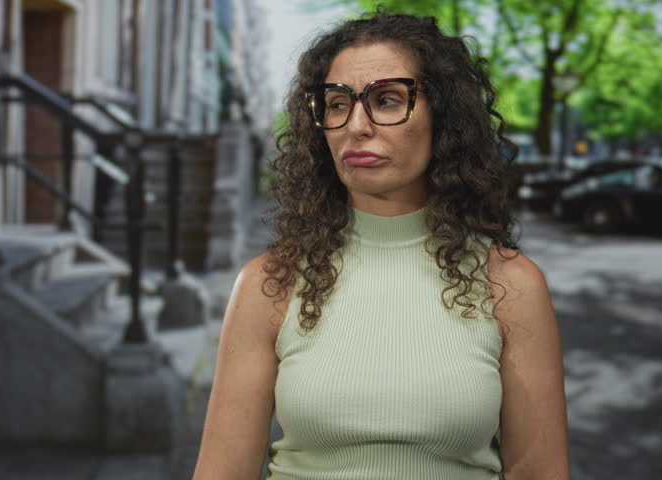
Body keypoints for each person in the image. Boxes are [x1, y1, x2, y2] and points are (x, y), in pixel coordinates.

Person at [193, 10, 569, 480]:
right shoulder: (268, 284)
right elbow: (223, 471)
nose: (356, 125)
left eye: (387, 100)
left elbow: (540, 473)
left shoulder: (511, 285)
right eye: (336, 103)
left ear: (444, 117)